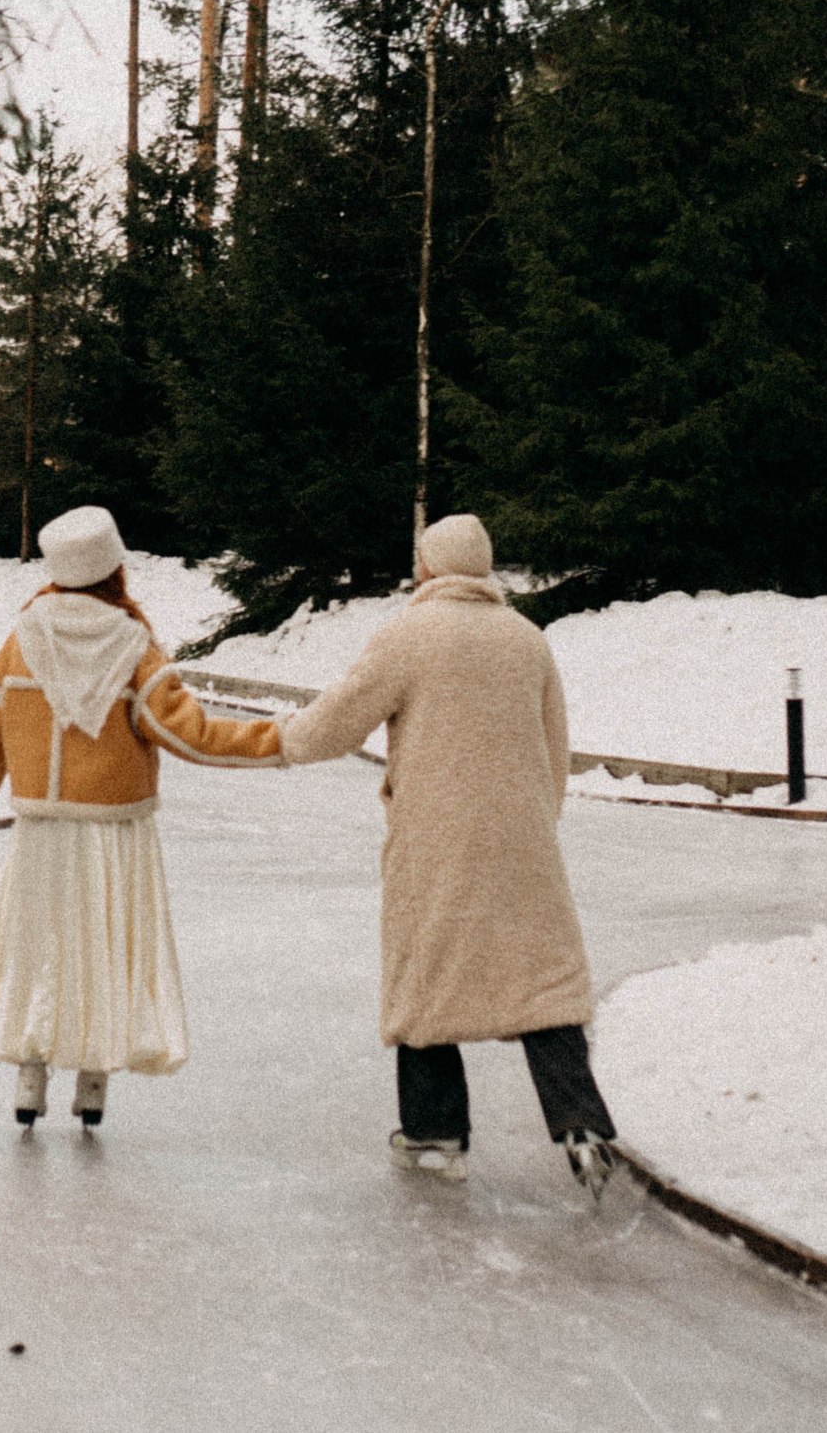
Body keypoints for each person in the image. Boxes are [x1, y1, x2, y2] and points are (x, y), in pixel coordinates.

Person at [279, 513, 628, 1200]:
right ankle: (581, 1123)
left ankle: (436, 1135)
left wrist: (286, 740)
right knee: (542, 980)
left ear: (432, 567)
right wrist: (536, 818)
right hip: (523, 838)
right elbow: (556, 744)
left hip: (435, 839)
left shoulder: (411, 634)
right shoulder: (528, 641)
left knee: (429, 974)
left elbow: (342, 715)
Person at [0, 505, 284, 1130]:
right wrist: (277, 741)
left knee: (40, 946)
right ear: (113, 569)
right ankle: (93, 1078)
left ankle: (30, 1071)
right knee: (104, 949)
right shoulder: (136, 648)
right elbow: (189, 734)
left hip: (43, 829)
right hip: (116, 832)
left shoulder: (21, 642)